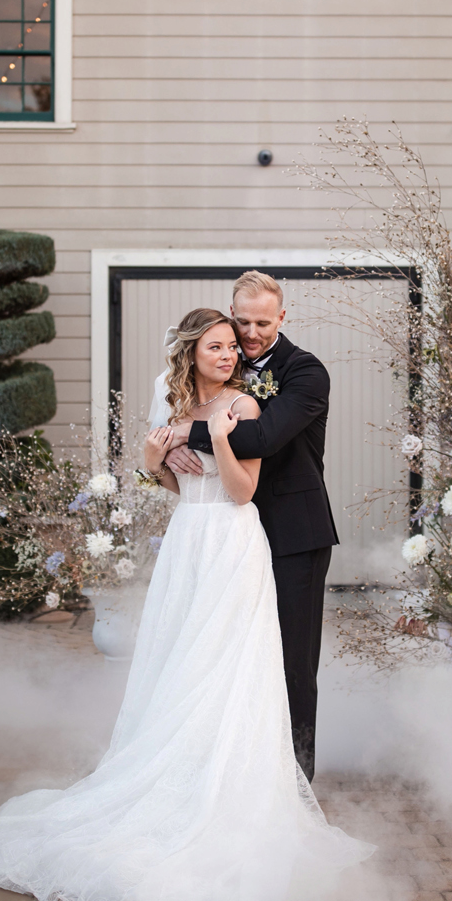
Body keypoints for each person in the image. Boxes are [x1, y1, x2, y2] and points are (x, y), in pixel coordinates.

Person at [0, 308, 371, 900]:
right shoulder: (177, 406)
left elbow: (242, 490)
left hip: (234, 541)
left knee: (227, 662)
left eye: (233, 346)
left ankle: (232, 783)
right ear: (192, 352)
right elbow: (173, 486)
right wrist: (157, 459)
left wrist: (218, 440)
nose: (230, 354)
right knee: (180, 660)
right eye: (217, 347)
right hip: (188, 539)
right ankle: (177, 778)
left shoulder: (244, 406)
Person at [160, 271, 337, 780]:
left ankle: (297, 781)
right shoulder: (224, 368)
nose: (251, 332)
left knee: (292, 663)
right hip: (230, 535)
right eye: (243, 321)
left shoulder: (306, 372)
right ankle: (235, 771)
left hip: (292, 536)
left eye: (263, 322)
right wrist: (165, 454)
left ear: (282, 317)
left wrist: (178, 435)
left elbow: (263, 436)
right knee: (229, 655)